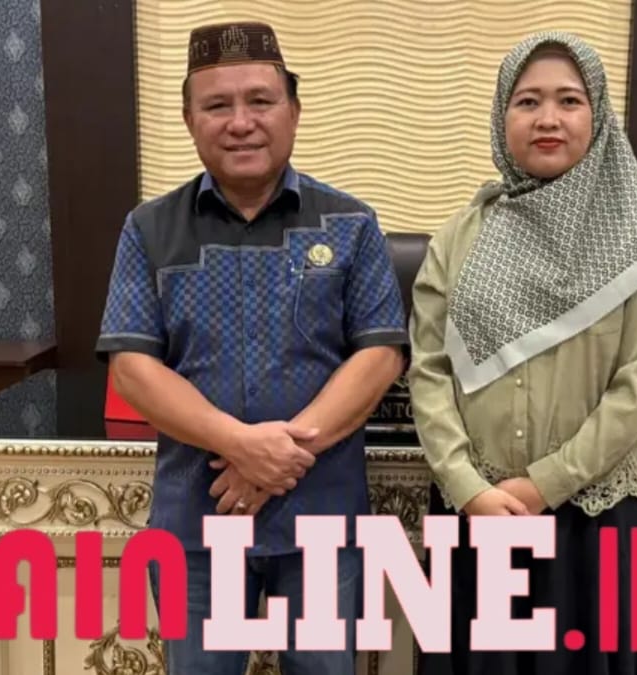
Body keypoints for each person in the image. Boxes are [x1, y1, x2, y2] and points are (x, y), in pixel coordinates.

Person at [95, 21, 408, 674]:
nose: (241, 122)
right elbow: (133, 367)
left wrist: (277, 458)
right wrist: (239, 444)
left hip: (322, 521)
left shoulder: (352, 224)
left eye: (260, 101)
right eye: (217, 105)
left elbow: (380, 354)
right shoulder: (149, 228)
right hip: (197, 523)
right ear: (189, 119)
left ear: (294, 109)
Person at [407, 31, 637, 674]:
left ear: (598, 115)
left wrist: (545, 484)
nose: (548, 118)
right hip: (478, 514)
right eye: (527, 101)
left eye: (569, 100)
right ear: (502, 117)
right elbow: (429, 370)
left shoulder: (636, 241)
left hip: (594, 521)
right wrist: (467, 487)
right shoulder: (460, 236)